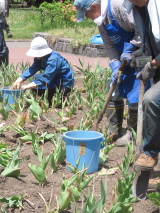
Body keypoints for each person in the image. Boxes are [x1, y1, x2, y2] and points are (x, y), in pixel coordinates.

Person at [74, 0, 149, 146]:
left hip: (139, 54)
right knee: (113, 89)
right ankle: (114, 130)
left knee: (135, 96)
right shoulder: (101, 21)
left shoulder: (117, 7)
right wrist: (115, 64)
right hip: (122, 60)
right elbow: (109, 45)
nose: (88, 17)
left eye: (87, 14)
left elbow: (141, 29)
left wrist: (129, 50)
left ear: (94, 7)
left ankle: (131, 134)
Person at [121, 0, 160, 172]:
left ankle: (150, 153)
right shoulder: (141, 9)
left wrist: (152, 64)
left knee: (152, 99)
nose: (132, 1)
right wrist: (140, 53)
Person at [11, 37, 74, 107]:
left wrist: (27, 86)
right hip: (53, 79)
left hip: (64, 82)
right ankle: (48, 99)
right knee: (36, 87)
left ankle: (54, 99)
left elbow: (46, 78)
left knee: (59, 99)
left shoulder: (53, 60)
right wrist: (20, 79)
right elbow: (33, 68)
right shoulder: (39, 57)